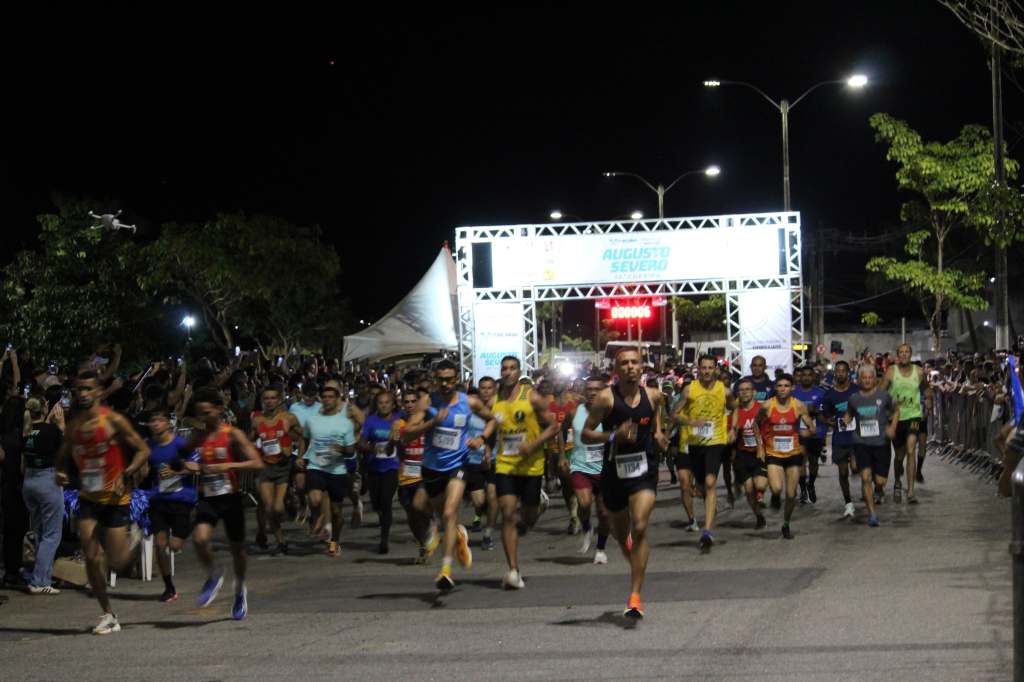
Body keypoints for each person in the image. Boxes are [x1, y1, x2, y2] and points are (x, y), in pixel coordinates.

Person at [56, 371, 151, 635]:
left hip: (115, 498)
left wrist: (126, 473)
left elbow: (144, 451)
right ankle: (108, 614)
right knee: (89, 554)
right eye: (79, 390)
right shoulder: (74, 426)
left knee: (119, 563)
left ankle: (133, 539)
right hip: (89, 498)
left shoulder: (113, 420)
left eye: (88, 389)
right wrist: (61, 472)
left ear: (98, 391)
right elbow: (62, 456)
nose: (83, 394)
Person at [582, 347, 669, 619]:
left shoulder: (653, 396)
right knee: (622, 536)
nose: (630, 367)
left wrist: (659, 435)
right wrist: (612, 436)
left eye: (635, 362)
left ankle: (634, 597)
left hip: (644, 469)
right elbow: (585, 434)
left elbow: (656, 422)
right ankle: (632, 555)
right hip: (614, 473)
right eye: (624, 363)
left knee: (640, 524)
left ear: (642, 367)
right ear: (616, 369)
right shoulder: (606, 400)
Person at [401, 360, 494, 592]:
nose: (445, 384)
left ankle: (445, 570)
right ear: (435, 380)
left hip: (458, 465)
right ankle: (456, 535)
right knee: (419, 507)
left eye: (449, 379)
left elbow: (492, 419)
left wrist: (482, 439)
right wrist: (432, 422)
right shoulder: (428, 401)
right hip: (432, 468)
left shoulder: (468, 402)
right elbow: (407, 433)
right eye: (441, 379)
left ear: (457, 380)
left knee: (450, 512)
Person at [183, 387, 262, 620]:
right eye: (199, 414)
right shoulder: (198, 436)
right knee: (199, 538)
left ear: (218, 410)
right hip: (209, 496)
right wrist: (188, 466)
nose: (203, 418)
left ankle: (239, 590)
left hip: (230, 498)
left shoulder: (232, 434)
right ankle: (214, 573)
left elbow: (256, 463)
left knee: (238, 551)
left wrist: (227, 466)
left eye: (207, 413)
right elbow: (180, 455)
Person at [491, 356, 560, 590]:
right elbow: (490, 425)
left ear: (519, 371)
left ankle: (538, 505)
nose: (508, 372)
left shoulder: (530, 396)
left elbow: (554, 425)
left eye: (512, 368)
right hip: (505, 465)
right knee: (508, 515)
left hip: (531, 465)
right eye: (504, 369)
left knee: (527, 517)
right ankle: (513, 570)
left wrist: (533, 444)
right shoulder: (495, 398)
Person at [675, 356, 735, 553]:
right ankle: (709, 502)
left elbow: (735, 408)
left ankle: (707, 531)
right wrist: (691, 422)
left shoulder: (724, 391)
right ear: (698, 369)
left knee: (710, 483)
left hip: (716, 441)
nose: (707, 371)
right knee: (701, 486)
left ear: (716, 369)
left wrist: (732, 428)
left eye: (710, 368)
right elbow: (674, 415)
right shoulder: (689, 389)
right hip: (694, 443)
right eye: (704, 368)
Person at [146, 409, 200, 602]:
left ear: (168, 423)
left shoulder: (180, 444)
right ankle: (169, 587)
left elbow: (196, 466)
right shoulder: (149, 445)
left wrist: (177, 471)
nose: (155, 424)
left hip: (180, 498)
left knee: (175, 545)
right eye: (152, 421)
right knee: (160, 544)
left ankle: (195, 521)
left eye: (159, 420)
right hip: (158, 498)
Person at [298, 380, 357, 558]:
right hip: (316, 466)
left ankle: (335, 541)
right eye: (324, 397)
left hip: (337, 470)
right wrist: (302, 457)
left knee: (337, 512)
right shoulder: (312, 420)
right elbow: (305, 439)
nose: (327, 400)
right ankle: (317, 517)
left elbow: (351, 450)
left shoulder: (345, 423)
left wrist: (341, 449)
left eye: (331, 397)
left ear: (337, 399)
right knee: (315, 499)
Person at [757, 373, 814, 539]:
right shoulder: (767, 405)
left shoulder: (799, 406)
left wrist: (806, 432)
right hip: (773, 453)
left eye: (786, 386)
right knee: (776, 488)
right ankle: (775, 496)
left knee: (791, 494)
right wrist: (760, 445)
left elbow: (811, 428)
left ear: (792, 388)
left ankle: (786, 524)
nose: (782, 389)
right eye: (780, 386)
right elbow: (755, 423)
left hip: (793, 454)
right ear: (775, 388)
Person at [252, 385, 304, 554]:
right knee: (268, 507)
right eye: (266, 398)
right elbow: (248, 441)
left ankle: (290, 501)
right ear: (262, 401)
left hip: (283, 467)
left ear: (279, 400)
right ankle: (280, 539)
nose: (269, 401)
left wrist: (299, 453)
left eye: (273, 398)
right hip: (265, 466)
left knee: (278, 508)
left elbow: (304, 435)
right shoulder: (257, 420)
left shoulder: (288, 418)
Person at [845, 364, 899, 526]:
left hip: (881, 443)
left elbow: (896, 410)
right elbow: (848, 415)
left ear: (875, 379)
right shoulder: (854, 399)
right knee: (865, 477)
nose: (867, 381)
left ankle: (879, 489)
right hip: (862, 443)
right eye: (864, 378)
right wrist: (845, 419)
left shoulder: (884, 396)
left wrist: (892, 426)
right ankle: (872, 514)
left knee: (880, 481)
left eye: (870, 377)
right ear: (859, 380)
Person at [21, 396, 64, 594]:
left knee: (38, 532)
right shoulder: (52, 430)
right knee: (51, 535)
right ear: (44, 409)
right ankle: (39, 581)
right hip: (47, 481)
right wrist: (61, 425)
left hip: (29, 481)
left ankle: (40, 576)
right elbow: (65, 450)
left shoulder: (26, 430)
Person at [566, 375, 611, 563]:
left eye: (597, 389)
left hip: (605, 468)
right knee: (584, 504)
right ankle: (586, 526)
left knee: (604, 513)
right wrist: (562, 455)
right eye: (589, 389)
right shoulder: (575, 411)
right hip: (580, 466)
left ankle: (600, 548)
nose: (592, 393)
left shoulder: (610, 412)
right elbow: (559, 430)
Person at [881, 344, 931, 504]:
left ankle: (910, 491)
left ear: (911, 354)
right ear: (897, 355)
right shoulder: (891, 372)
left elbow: (927, 389)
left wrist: (928, 401)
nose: (904, 355)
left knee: (911, 449)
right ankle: (897, 481)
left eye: (906, 352)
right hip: (895, 418)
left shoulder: (919, 372)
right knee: (899, 456)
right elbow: (880, 394)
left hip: (913, 416)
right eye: (901, 352)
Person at [358, 390, 401, 554]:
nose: (384, 405)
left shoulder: (399, 420)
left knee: (386, 500)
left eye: (387, 402)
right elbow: (361, 442)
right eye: (381, 402)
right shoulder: (371, 421)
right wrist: (370, 447)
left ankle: (384, 538)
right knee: (376, 503)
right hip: (373, 466)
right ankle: (383, 521)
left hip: (392, 466)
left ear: (393, 404)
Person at [395, 389, 430, 562]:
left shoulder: (427, 422)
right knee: (411, 515)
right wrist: (393, 442)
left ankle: (430, 527)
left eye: (413, 401)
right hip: (405, 476)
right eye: (406, 402)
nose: (409, 405)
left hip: (424, 475)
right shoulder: (399, 424)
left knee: (419, 507)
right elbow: (393, 447)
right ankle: (422, 543)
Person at [728, 379, 767, 529]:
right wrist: (731, 435)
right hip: (743, 454)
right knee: (749, 489)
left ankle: (761, 495)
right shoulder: (735, 413)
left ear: (754, 392)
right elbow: (731, 434)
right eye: (741, 390)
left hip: (760, 453)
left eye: (747, 389)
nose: (744, 392)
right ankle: (758, 516)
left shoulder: (761, 409)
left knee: (759, 484)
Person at [822, 361, 859, 518]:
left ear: (848, 372)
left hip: (857, 438)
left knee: (856, 468)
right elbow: (824, 415)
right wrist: (829, 421)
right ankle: (848, 503)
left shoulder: (856, 390)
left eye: (843, 371)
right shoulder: (829, 394)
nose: (840, 373)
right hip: (840, 438)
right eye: (838, 371)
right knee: (843, 472)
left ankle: (872, 491)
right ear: (834, 374)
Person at [793, 365, 828, 504]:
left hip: (816, 433)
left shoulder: (821, 393)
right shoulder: (793, 393)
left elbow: (825, 411)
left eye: (809, 375)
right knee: (801, 461)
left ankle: (811, 484)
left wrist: (816, 412)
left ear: (813, 377)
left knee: (813, 463)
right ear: (799, 377)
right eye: (804, 375)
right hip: (799, 433)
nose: (806, 377)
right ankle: (802, 490)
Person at [289, 382, 321, 524]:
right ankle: (302, 503)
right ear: (301, 394)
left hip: (316, 452)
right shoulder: (294, 408)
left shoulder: (321, 408)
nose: (308, 398)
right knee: (300, 485)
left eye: (311, 396)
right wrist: (295, 438)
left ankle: (316, 517)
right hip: (298, 451)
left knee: (315, 488)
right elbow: (289, 427)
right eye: (306, 395)